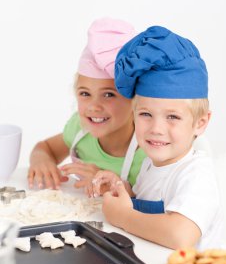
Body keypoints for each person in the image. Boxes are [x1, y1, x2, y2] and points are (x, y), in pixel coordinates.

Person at [92, 25, 224, 250]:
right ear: (133, 115)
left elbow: (180, 235)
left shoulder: (196, 174)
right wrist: (121, 189)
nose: (156, 128)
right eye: (146, 114)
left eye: (172, 116)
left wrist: (123, 216)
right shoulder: (150, 164)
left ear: (200, 122)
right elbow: (147, 204)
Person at [28, 18, 146, 196]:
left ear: (135, 99)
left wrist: (110, 187)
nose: (94, 106)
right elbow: (46, 147)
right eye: (85, 94)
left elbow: (158, 205)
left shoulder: (150, 149)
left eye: (108, 94)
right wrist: (41, 160)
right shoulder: (80, 129)